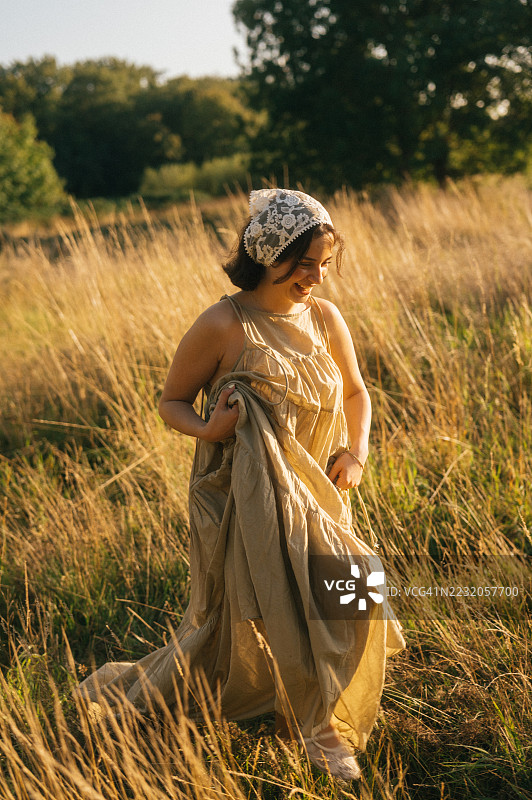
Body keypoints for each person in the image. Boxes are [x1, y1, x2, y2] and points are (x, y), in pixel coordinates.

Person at [78, 189, 406, 781]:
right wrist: (209, 425)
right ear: (267, 253)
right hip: (237, 497)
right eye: (304, 262)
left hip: (321, 492)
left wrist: (356, 452)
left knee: (354, 595)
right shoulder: (224, 322)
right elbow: (171, 402)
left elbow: (357, 394)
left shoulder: (326, 318)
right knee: (260, 614)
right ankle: (318, 731)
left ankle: (306, 711)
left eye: (326, 263)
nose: (317, 276)